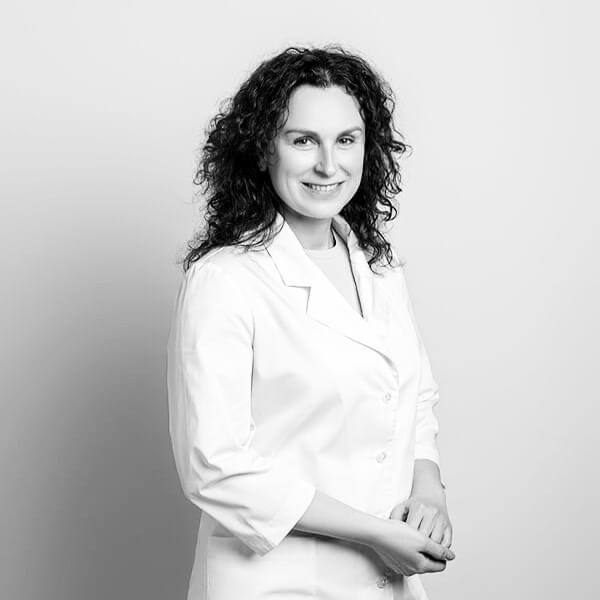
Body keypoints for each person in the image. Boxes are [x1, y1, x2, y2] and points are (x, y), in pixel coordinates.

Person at [167, 45, 454, 600]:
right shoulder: (225, 279)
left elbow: (415, 397)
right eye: (303, 140)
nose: (328, 165)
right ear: (262, 149)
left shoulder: (379, 268)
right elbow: (215, 465)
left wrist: (429, 490)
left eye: (346, 139)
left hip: (389, 577)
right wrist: (376, 533)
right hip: (276, 580)